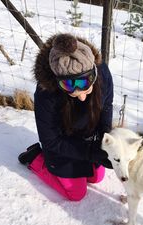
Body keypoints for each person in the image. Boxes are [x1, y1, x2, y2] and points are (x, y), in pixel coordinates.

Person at [18, 33, 114, 201]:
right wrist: (91, 152)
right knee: (77, 194)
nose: (82, 96)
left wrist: (106, 137)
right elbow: (52, 141)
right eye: (69, 86)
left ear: (94, 72)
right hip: (62, 146)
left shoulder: (103, 72)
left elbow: (106, 105)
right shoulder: (46, 94)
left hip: (87, 137)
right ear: (58, 81)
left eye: (85, 85)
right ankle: (35, 158)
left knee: (97, 178)